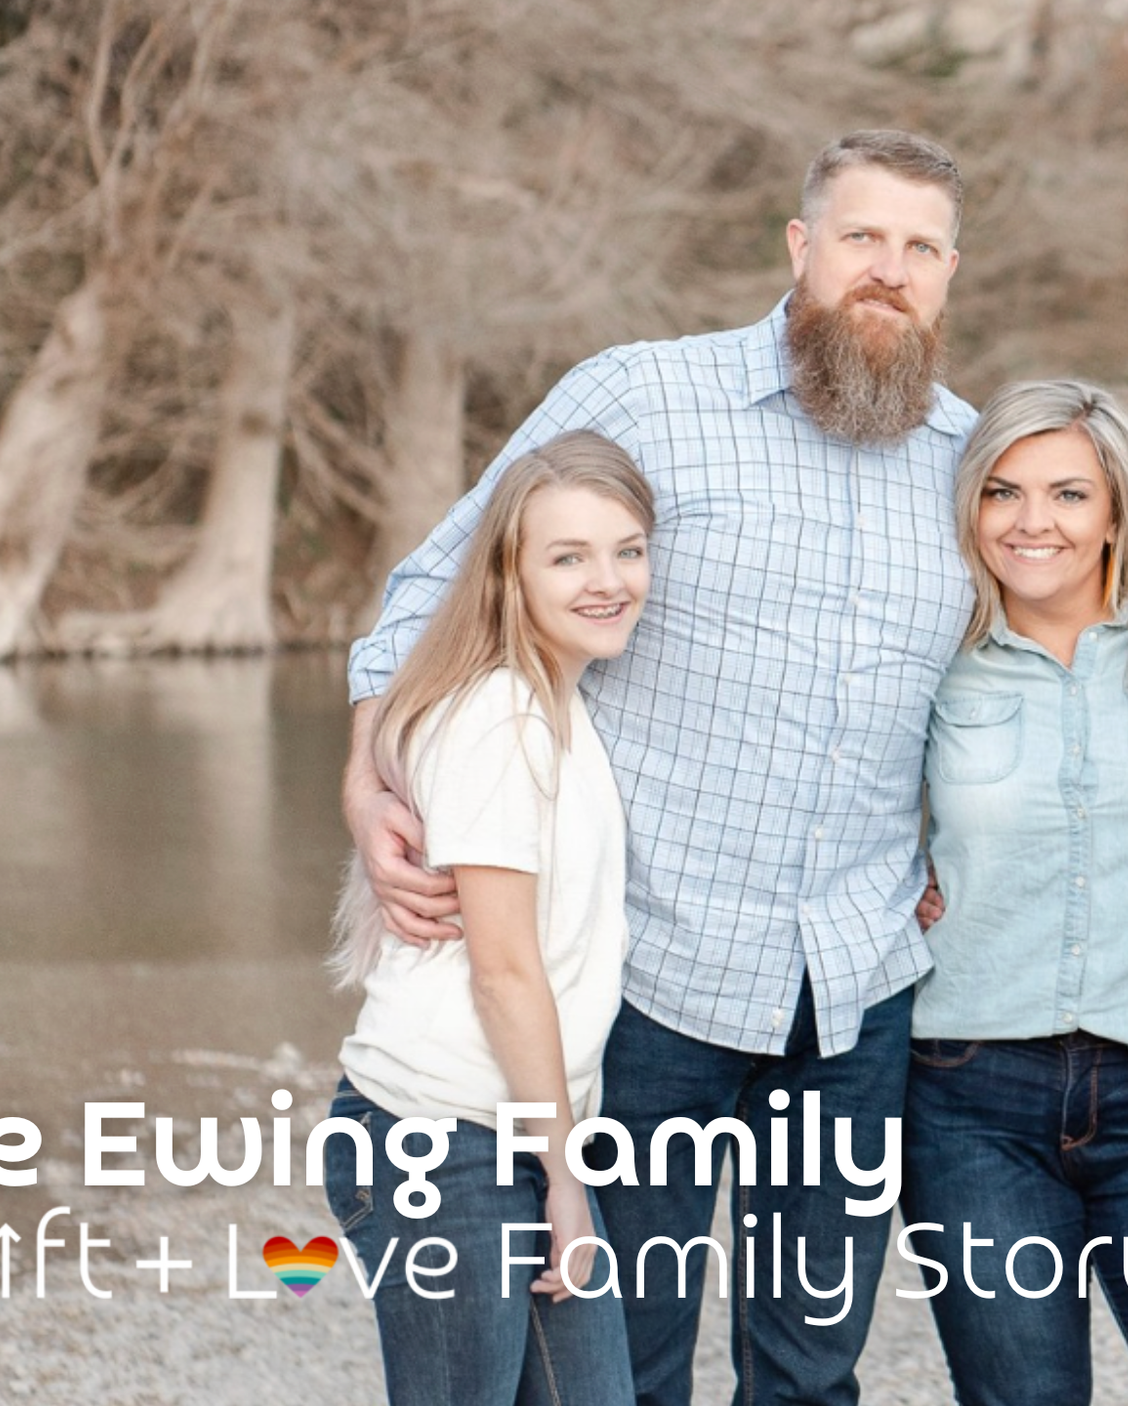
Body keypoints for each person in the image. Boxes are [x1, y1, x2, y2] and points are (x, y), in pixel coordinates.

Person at [341, 130, 975, 1406]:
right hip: (653, 975)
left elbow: (1018, 671)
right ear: (800, 247)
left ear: (950, 274)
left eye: (921, 248)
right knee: (619, 1357)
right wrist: (366, 774)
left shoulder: (968, 461)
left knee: (812, 1365)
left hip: (856, 984)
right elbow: (435, 583)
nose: (888, 272)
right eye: (862, 238)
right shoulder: (641, 395)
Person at [903, 380, 1128, 1406]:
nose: (1031, 522)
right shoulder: (934, 660)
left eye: (1067, 493)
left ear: (1115, 512)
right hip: (969, 1100)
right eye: (1002, 492)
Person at [322, 430, 652, 1406]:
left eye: (627, 549)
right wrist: (563, 1176)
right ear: (508, 571)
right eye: (569, 556)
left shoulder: (555, 700)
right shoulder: (500, 717)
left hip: (510, 1130)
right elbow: (503, 969)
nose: (608, 580)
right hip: (440, 1137)